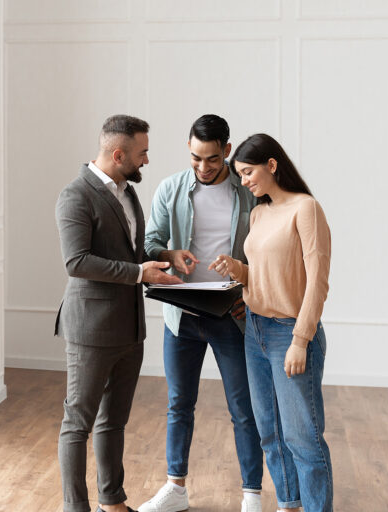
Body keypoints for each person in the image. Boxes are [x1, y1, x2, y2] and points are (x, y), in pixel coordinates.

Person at [55, 115, 182, 512]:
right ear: (117, 153)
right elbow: (76, 262)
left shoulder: (128, 192)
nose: (146, 160)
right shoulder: (75, 195)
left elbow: (129, 254)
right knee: (79, 423)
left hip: (130, 329)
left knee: (114, 421)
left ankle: (112, 500)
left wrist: (162, 257)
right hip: (90, 330)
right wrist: (137, 273)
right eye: (141, 152)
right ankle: (76, 507)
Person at [139, 115, 264, 512]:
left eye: (211, 159)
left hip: (232, 315)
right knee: (179, 404)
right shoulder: (171, 188)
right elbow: (150, 242)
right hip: (183, 316)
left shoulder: (249, 192)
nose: (203, 167)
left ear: (227, 151)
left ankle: (252, 496)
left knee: (243, 408)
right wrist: (168, 254)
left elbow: (269, 251)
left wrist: (251, 287)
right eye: (195, 158)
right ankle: (175, 488)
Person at [210, 133, 333, 512]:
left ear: (272, 165)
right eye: (241, 175)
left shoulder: (305, 208)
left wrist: (300, 339)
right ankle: (289, 504)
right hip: (255, 331)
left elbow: (317, 280)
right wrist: (238, 270)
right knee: (270, 434)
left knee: (303, 438)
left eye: (248, 172)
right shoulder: (259, 212)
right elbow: (265, 273)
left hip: (289, 333)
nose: (244, 181)